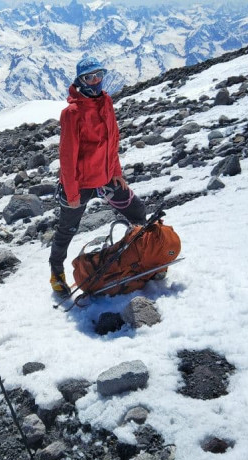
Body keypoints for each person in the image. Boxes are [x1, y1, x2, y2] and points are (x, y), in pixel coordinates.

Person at [49, 57, 147, 295]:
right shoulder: (72, 113)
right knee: (67, 230)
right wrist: (71, 192)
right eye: (89, 77)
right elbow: (68, 156)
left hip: (105, 179)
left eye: (99, 75)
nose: (95, 81)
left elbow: (112, 140)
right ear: (79, 81)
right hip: (80, 184)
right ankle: (56, 273)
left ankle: (140, 255)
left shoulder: (106, 102)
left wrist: (116, 172)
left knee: (137, 212)